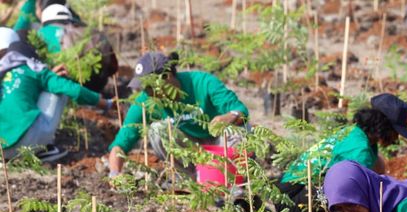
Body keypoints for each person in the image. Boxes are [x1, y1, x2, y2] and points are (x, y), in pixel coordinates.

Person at [277, 93, 407, 212]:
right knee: (353, 199)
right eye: (395, 133)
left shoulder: (354, 132)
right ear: (384, 126)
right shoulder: (360, 151)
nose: (396, 139)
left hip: (287, 189)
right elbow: (354, 196)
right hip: (292, 202)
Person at [107, 52, 249, 177]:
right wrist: (114, 174)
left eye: (149, 86)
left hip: (220, 143)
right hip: (193, 151)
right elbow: (121, 143)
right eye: (144, 88)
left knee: (237, 129)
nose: (147, 92)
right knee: (157, 130)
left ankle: (235, 183)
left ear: (166, 76)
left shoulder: (203, 83)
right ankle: (194, 182)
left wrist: (227, 118)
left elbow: (240, 110)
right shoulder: (146, 101)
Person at [0, 27, 112, 161]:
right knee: (60, 85)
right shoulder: (32, 68)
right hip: (24, 145)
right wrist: (107, 103)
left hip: (2, 151)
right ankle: (44, 149)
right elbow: (73, 90)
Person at [36, 3, 117, 92]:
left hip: (65, 85)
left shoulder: (40, 34)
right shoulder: (89, 31)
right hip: (96, 85)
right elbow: (113, 67)